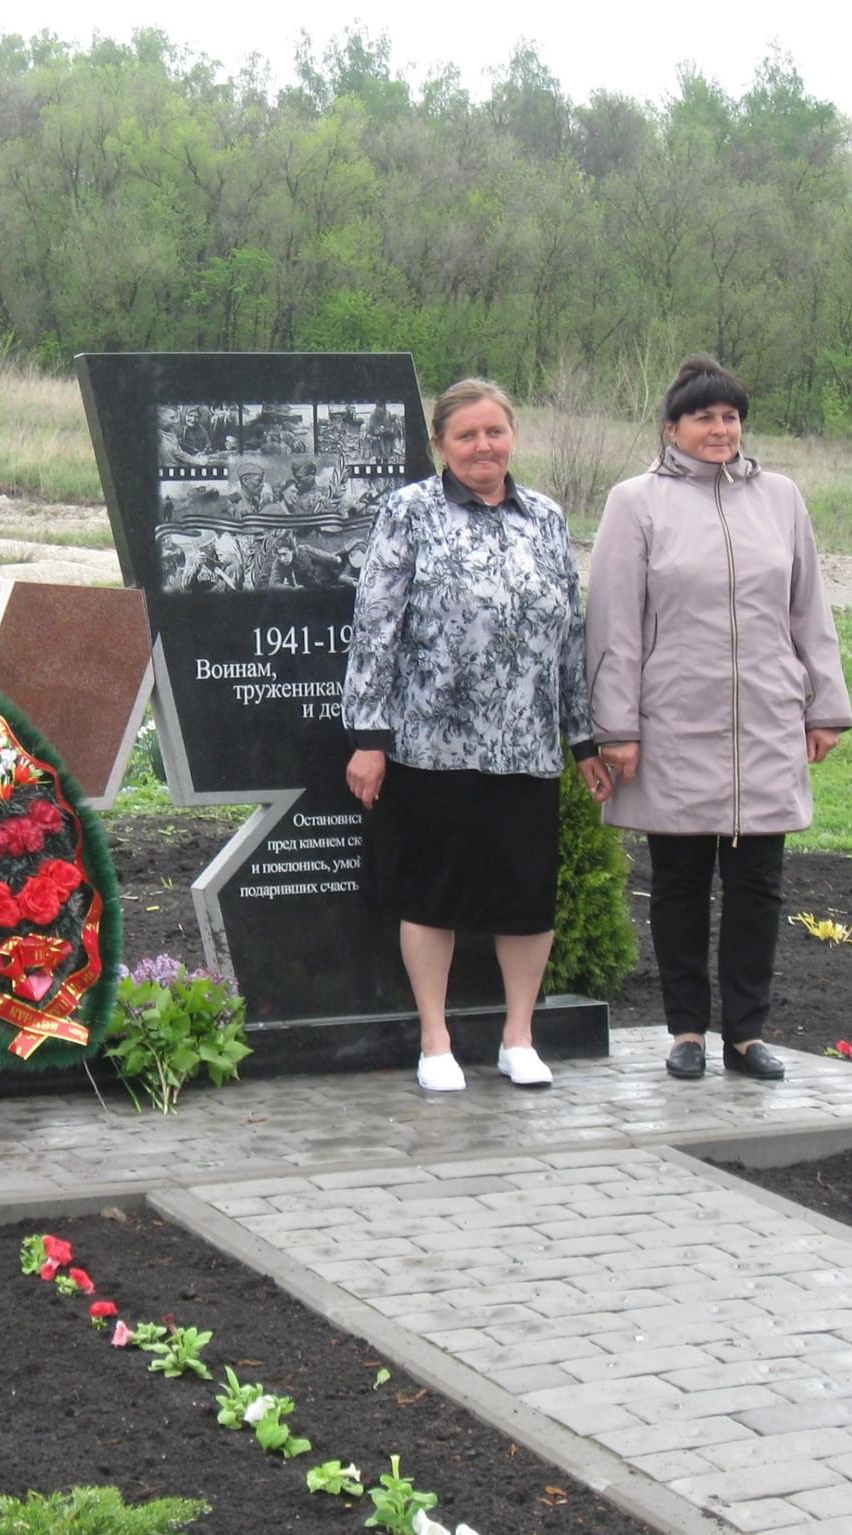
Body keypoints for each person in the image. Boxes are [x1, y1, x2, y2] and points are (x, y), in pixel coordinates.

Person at [586, 355, 852, 1083]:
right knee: (678, 883)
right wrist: (618, 727)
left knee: (759, 885)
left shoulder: (782, 498)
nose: (720, 428)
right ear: (672, 427)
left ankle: (745, 1032)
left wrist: (824, 704)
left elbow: (809, 609)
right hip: (673, 722)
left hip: (765, 722)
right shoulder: (635, 502)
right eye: (704, 416)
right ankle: (686, 1031)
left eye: (731, 415)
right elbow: (614, 623)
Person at [343, 379, 613, 1093]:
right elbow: (375, 627)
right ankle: (436, 1040)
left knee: (525, 899)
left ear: (513, 437)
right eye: (466, 435)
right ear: (440, 445)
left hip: (526, 747)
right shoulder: (408, 512)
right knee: (432, 895)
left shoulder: (548, 519)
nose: (483, 446)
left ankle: (517, 1036)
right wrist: (368, 735)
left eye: (494, 432)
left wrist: (582, 739)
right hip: (431, 744)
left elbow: (570, 636)